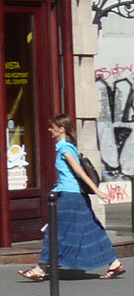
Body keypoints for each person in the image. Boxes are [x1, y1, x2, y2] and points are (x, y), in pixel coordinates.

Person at [19, 115, 124, 281]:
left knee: (54, 231)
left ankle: (40, 268)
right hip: (76, 196)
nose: (49, 129)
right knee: (92, 231)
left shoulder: (65, 149)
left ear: (61, 129)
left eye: (52, 127)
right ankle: (114, 263)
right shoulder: (69, 147)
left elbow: (79, 172)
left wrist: (97, 191)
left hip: (70, 198)